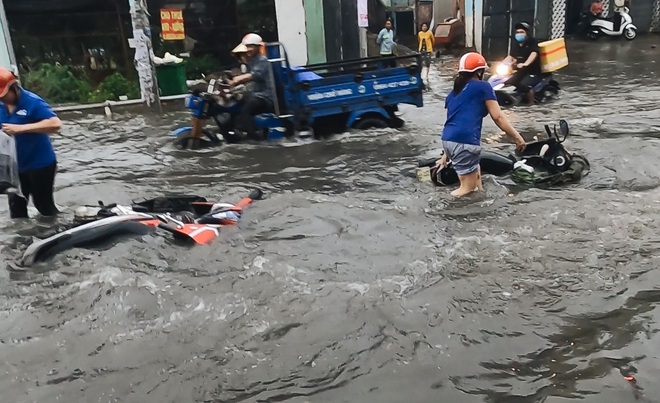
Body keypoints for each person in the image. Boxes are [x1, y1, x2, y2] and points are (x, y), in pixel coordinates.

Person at [438, 52, 526, 197]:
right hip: (465, 142)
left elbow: (452, 122)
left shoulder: (453, 93)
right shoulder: (483, 87)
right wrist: (517, 138)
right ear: (479, 71)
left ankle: (479, 204)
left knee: (476, 174)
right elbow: (498, 117)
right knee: (467, 189)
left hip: (448, 141)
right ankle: (441, 206)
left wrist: (446, 154)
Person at [0, 68, 62, 218]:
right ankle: (23, 240)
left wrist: (21, 128)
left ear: (13, 87)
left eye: (3, 95)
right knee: (17, 210)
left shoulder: (32, 102)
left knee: (44, 207)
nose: (2, 100)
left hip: (40, 164)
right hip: (14, 168)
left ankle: (58, 234)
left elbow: (56, 124)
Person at [228, 33, 275, 141]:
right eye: (247, 47)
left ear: (258, 47)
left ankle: (253, 138)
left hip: (265, 97)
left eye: (251, 46)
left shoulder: (262, 61)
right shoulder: (251, 61)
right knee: (234, 104)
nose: (248, 50)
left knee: (246, 109)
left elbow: (253, 75)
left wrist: (236, 80)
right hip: (256, 94)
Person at [502, 22, 543, 105]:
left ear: (527, 33)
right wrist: (502, 63)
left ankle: (531, 104)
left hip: (533, 72)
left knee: (524, 85)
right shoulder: (517, 44)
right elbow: (511, 56)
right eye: (517, 32)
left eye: (521, 32)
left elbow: (534, 54)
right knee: (508, 82)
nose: (519, 34)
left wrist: (526, 64)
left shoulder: (532, 42)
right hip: (521, 71)